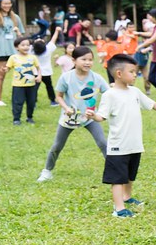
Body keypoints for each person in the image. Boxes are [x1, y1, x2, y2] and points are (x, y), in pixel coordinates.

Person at [87, 54, 156, 218]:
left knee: (130, 174)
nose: (135, 75)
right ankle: (119, 208)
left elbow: (152, 105)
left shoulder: (135, 92)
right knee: (117, 178)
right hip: (118, 145)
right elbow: (101, 116)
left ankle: (127, 197)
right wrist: (92, 116)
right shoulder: (110, 95)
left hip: (134, 143)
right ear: (118, 73)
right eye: (132, 72)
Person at [37, 45, 109, 182]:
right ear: (74, 60)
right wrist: (65, 108)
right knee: (57, 146)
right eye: (84, 59)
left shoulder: (97, 78)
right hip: (69, 118)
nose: (88, 62)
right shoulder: (66, 77)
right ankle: (47, 171)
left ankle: (114, 168)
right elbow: (58, 96)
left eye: (90, 59)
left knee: (103, 143)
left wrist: (101, 111)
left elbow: (108, 94)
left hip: (90, 117)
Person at [7, 35, 41, 125]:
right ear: (17, 47)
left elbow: (38, 68)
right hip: (18, 85)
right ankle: (16, 119)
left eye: (27, 45)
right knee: (18, 102)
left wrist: (39, 76)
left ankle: (29, 117)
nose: (26, 47)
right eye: (23, 45)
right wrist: (4, 70)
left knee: (31, 102)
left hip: (31, 84)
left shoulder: (33, 57)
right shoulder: (13, 58)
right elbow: (8, 68)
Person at [33, 26, 63, 106]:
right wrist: (56, 30)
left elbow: (22, 40)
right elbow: (53, 40)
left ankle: (33, 102)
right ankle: (53, 101)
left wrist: (18, 32)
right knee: (49, 86)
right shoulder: (48, 49)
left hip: (35, 72)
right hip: (46, 72)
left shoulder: (31, 51)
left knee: (34, 88)